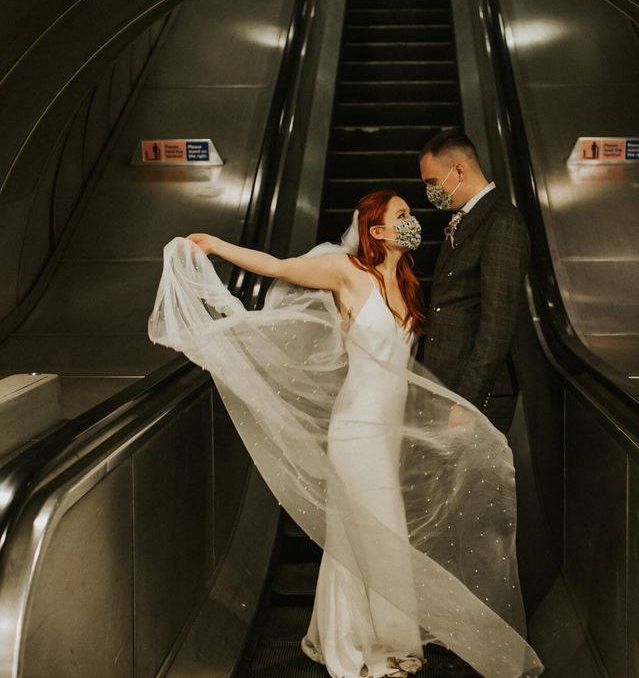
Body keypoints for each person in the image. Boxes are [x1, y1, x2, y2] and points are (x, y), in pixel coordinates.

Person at [148, 190, 542, 678]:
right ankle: (356, 645)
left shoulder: (408, 280)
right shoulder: (347, 274)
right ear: (377, 231)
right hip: (355, 430)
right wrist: (218, 246)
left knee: (378, 533)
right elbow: (276, 266)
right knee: (366, 534)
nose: (412, 221)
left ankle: (386, 640)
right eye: (402, 216)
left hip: (385, 431)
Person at [419, 129, 530, 435]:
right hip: (449, 387)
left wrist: (468, 400)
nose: (430, 191)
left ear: (458, 170)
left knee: (474, 484)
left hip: (477, 395)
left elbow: (498, 321)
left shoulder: (502, 222)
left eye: (431, 182)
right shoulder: (469, 218)